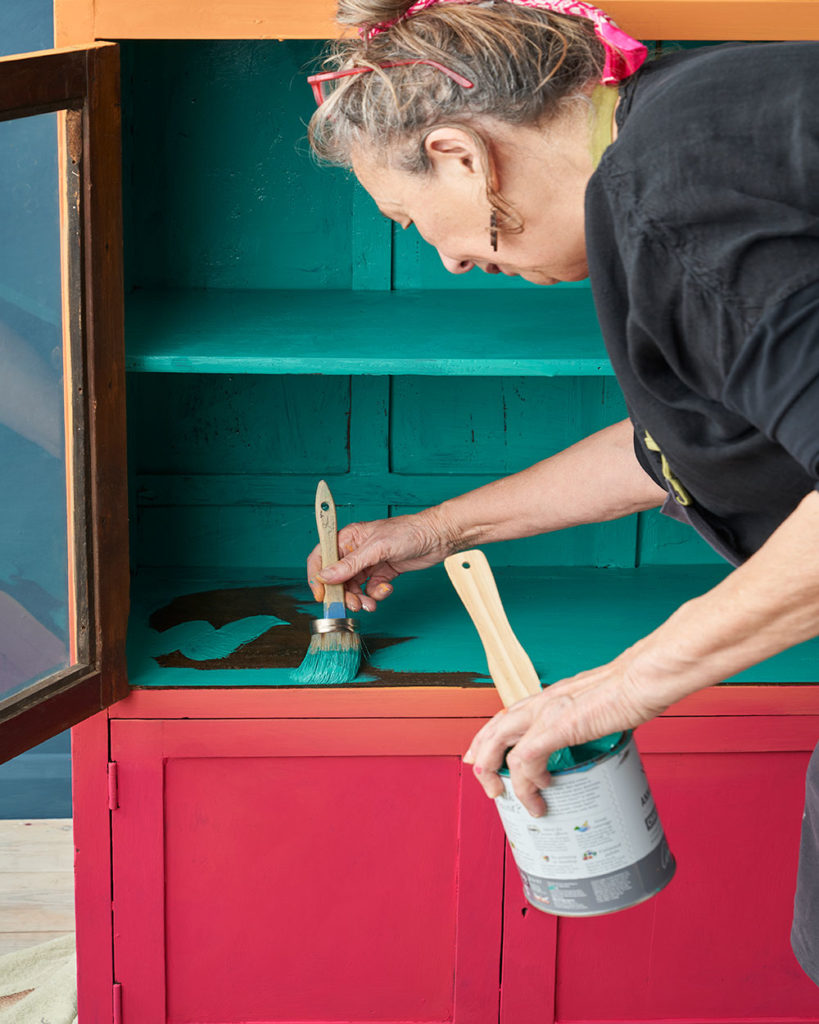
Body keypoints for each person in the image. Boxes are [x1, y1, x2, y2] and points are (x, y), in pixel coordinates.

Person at [303, 0, 819, 981]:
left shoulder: (674, 205)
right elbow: (700, 438)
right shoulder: (679, 132)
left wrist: (613, 691)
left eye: (412, 220)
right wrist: (438, 529)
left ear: (462, 154)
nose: (450, 257)